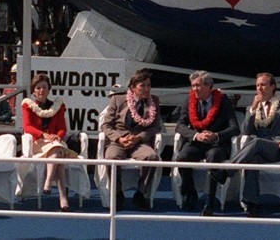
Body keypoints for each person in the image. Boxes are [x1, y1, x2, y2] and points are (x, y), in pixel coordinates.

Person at [228, 72, 280, 216]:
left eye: (263, 85)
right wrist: (252, 109)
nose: (260, 88)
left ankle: (228, 170)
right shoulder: (254, 108)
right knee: (252, 160)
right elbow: (245, 131)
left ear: (273, 86)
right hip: (261, 151)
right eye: (257, 85)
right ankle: (252, 204)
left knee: (256, 141)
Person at [174, 70, 237, 214]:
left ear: (209, 87)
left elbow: (234, 128)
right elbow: (180, 125)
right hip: (197, 142)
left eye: (198, 85)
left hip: (216, 144)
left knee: (214, 157)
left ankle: (209, 201)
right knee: (183, 157)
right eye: (193, 86)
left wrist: (216, 135)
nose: (195, 89)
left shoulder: (223, 101)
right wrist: (196, 135)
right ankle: (189, 193)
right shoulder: (189, 101)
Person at [100, 69, 162, 209]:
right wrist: (119, 139)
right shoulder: (118, 99)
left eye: (148, 85)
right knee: (111, 157)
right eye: (142, 86)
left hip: (139, 142)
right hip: (119, 140)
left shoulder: (154, 101)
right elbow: (106, 125)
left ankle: (141, 193)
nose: (146, 89)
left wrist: (138, 138)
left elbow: (155, 127)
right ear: (133, 88)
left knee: (151, 157)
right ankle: (117, 193)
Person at [20, 73, 79, 210]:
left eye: (44, 87)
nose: (42, 91)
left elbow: (62, 128)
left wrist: (57, 136)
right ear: (34, 91)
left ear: (49, 89)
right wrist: (44, 135)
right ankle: (63, 198)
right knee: (58, 157)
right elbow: (27, 127)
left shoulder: (57, 106)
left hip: (55, 142)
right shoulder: (28, 106)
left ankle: (48, 183)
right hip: (38, 143)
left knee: (56, 149)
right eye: (38, 88)